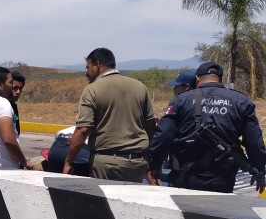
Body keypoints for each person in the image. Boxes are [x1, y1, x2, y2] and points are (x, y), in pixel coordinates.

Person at [149, 62, 266, 193]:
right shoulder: (241, 101)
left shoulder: (181, 100)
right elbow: (254, 142)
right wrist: (259, 171)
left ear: (197, 79)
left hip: (185, 175)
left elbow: (163, 135)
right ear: (220, 79)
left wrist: (154, 165)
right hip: (223, 177)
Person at [64, 48, 156, 182]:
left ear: (97, 65)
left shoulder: (92, 89)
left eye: (88, 67)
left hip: (107, 163)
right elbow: (150, 124)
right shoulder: (139, 86)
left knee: (107, 202)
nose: (86, 73)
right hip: (138, 162)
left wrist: (68, 161)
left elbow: (83, 129)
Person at [10, 71, 26, 135]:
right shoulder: (4, 106)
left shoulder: (13, 105)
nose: (18, 92)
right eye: (15, 88)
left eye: (20, 88)